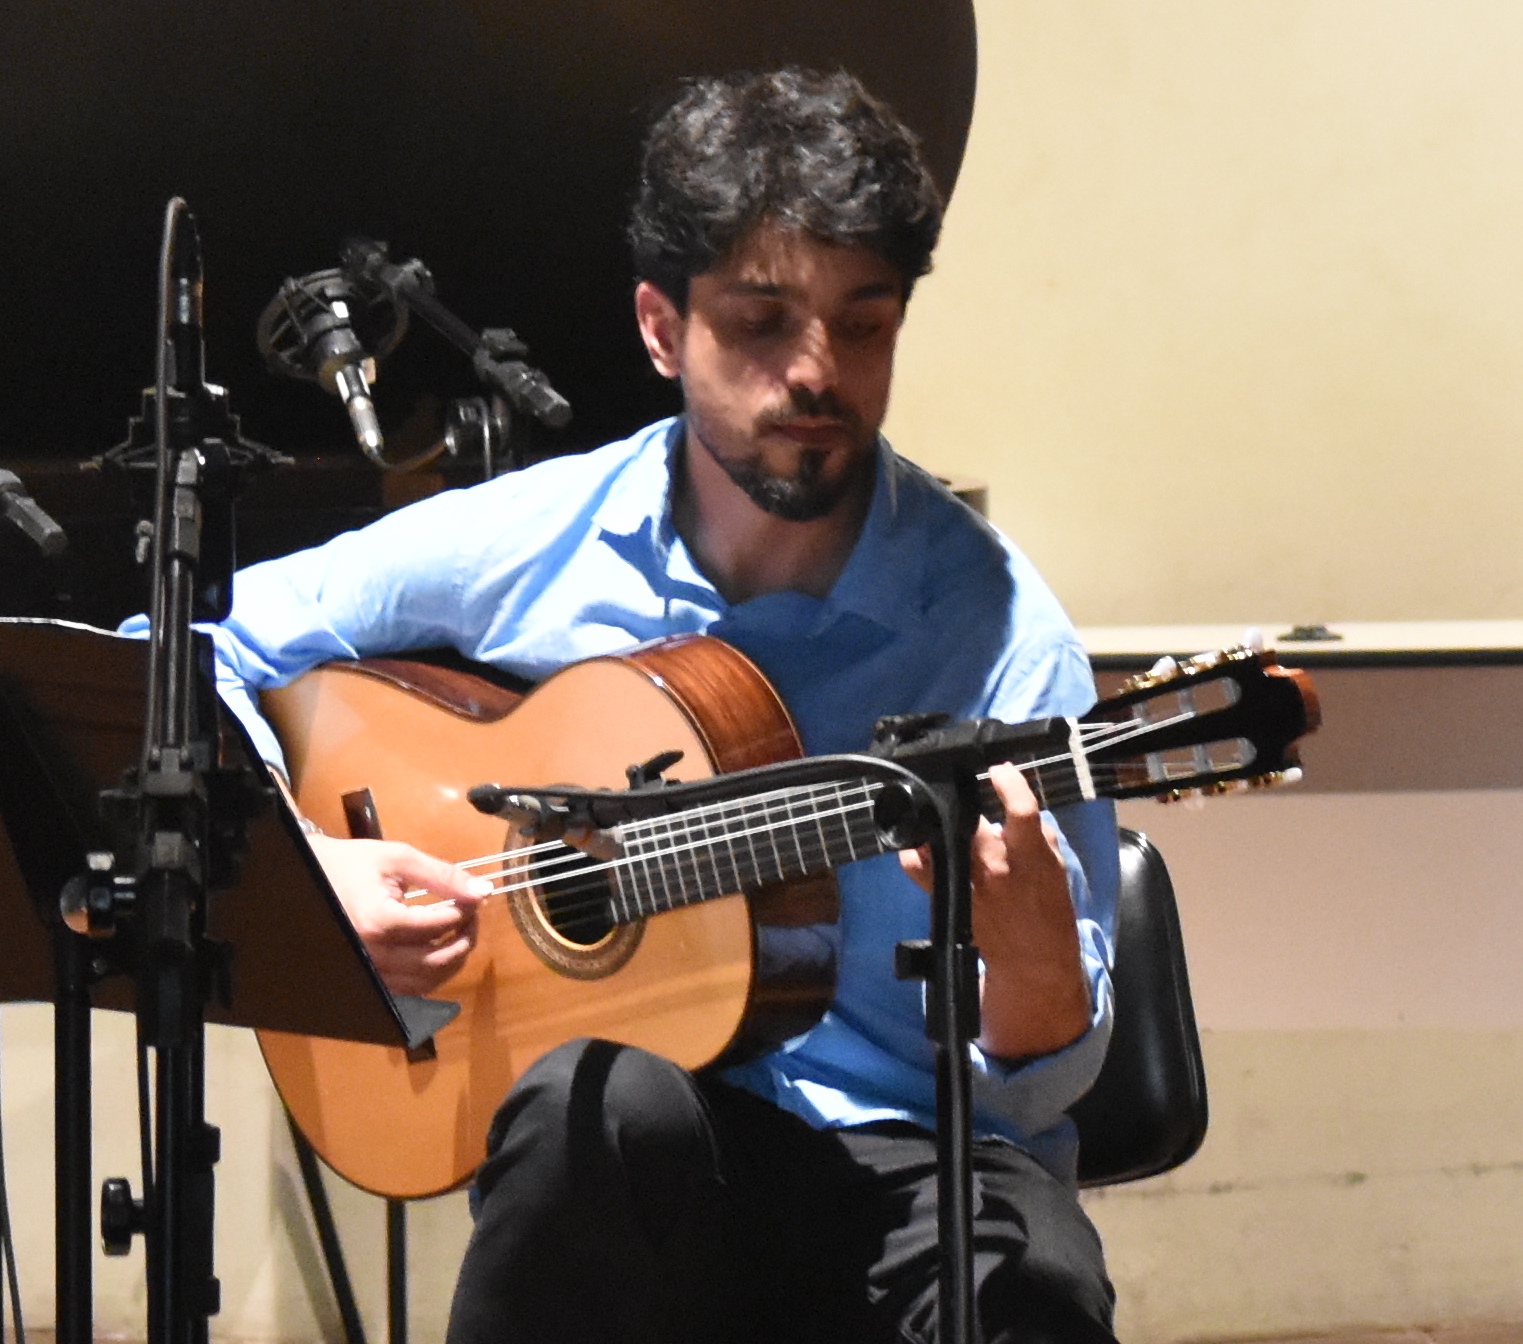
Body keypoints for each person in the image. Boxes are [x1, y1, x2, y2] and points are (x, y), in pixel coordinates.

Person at [142, 67, 1121, 1344]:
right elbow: (182, 654)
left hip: (909, 1158)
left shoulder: (997, 632)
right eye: (761, 322)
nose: (817, 372)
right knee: (590, 1107)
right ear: (662, 329)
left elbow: (1039, 1084)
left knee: (1037, 1287)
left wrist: (1032, 954)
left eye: (864, 323)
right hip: (643, 1154)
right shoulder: (535, 538)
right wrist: (313, 876)